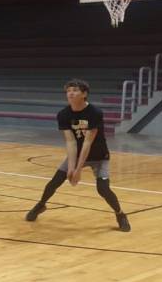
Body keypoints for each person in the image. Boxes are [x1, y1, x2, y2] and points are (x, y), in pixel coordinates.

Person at [26, 79, 131, 232]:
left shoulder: (95, 113)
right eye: (68, 91)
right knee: (55, 181)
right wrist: (71, 167)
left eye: (74, 90)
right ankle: (41, 204)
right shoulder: (63, 114)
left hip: (99, 156)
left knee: (103, 189)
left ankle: (120, 214)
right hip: (77, 154)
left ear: (84, 94)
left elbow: (88, 142)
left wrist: (78, 169)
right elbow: (71, 142)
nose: (70, 93)